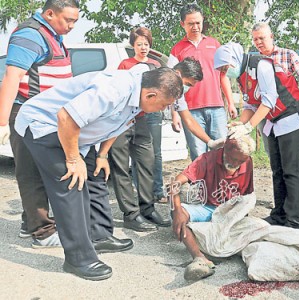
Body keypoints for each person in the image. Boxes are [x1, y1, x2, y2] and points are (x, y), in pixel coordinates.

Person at [14, 66, 183, 280]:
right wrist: (73, 160)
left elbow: (117, 124)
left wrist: (102, 155)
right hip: (45, 125)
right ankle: (79, 258)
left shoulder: (140, 95)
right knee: (72, 184)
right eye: (164, 105)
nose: (162, 110)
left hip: (78, 134)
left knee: (95, 176)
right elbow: (66, 117)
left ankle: (99, 235)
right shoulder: (114, 90)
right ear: (152, 95)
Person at [0, 0, 80, 247]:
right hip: (27, 114)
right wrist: (2, 122)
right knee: (32, 173)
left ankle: (29, 222)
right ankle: (42, 232)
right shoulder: (30, 35)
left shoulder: (52, 35)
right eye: (68, 20)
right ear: (49, 13)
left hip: (44, 115)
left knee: (39, 169)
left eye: (75, 21)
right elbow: (12, 77)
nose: (72, 26)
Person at [214, 41, 299, 229]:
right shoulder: (242, 75)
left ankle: (294, 221)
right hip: (275, 121)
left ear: (235, 58)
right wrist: (239, 124)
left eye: (226, 67)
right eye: (223, 69)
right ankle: (279, 215)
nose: (226, 72)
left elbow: (268, 100)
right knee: (277, 169)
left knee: (291, 170)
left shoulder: (262, 64)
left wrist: (248, 127)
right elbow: (251, 104)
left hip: (293, 115)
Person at [252, 22, 299, 214]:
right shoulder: (255, 61)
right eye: (255, 39)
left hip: (290, 117)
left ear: (272, 37)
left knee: (293, 160)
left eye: (262, 38)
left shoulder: (287, 55)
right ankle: (282, 202)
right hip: (267, 118)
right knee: (275, 159)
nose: (259, 42)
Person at [108, 27, 168, 232]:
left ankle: (148, 208)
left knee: (146, 162)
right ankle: (130, 214)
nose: (143, 47)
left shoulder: (155, 65)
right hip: (122, 120)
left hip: (144, 119)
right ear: (133, 45)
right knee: (121, 166)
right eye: (139, 44)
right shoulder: (124, 64)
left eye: (146, 44)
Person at [171, 136, 255, 281]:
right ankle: (199, 259)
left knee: (259, 228)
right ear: (225, 151)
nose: (237, 164)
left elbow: (247, 196)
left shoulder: (247, 162)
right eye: (234, 159)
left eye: (241, 161)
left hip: (231, 212)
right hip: (208, 208)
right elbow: (174, 184)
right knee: (178, 215)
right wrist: (177, 211)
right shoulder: (207, 159)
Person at [167, 3, 237, 161]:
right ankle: (201, 186)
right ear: (182, 24)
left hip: (217, 108)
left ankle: (220, 185)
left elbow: (222, 76)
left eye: (198, 22)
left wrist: (231, 103)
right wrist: (175, 114)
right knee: (199, 155)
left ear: (203, 21)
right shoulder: (177, 50)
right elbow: (171, 84)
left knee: (221, 152)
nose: (195, 27)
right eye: (190, 23)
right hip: (190, 111)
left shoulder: (214, 44)